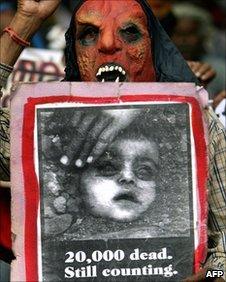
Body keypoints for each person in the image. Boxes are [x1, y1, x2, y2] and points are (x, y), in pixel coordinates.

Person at [0, 0, 225, 281]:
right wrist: (27, 19)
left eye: (130, 33)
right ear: (73, 51)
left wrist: (212, 274)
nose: (107, 44)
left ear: (154, 47)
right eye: (89, 34)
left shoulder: (199, 123)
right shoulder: (43, 125)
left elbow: (224, 253)